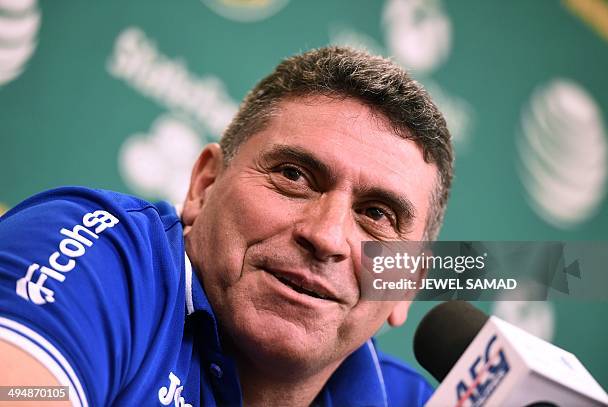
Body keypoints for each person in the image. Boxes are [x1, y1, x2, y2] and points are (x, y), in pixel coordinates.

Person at [0, 46, 453, 406]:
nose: (326, 236)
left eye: (376, 215)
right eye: (294, 176)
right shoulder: (104, 256)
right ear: (204, 184)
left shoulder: (415, 401)